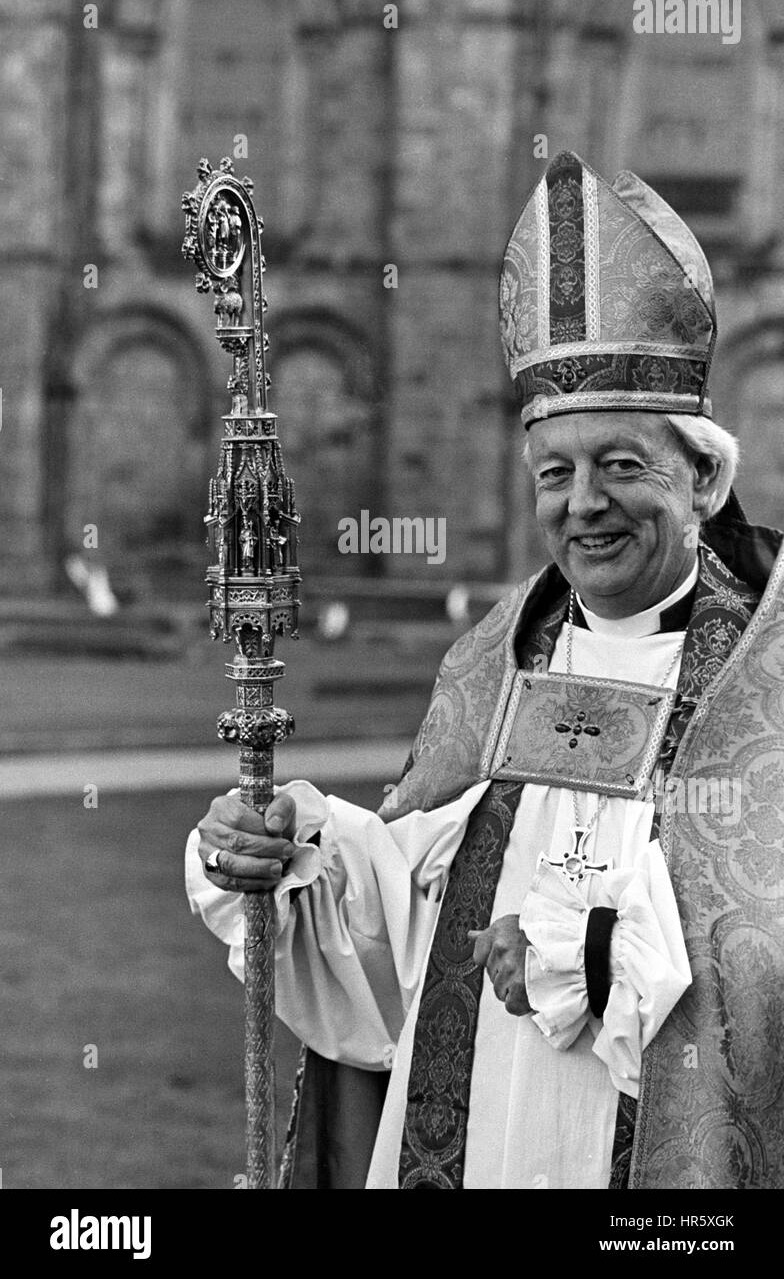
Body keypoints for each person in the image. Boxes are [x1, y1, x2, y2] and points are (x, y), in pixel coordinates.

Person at [186, 151, 784, 1189]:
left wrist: (594, 956)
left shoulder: (768, 666)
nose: (583, 503)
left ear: (703, 476)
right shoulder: (500, 655)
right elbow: (408, 946)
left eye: (622, 466)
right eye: (555, 473)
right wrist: (296, 855)